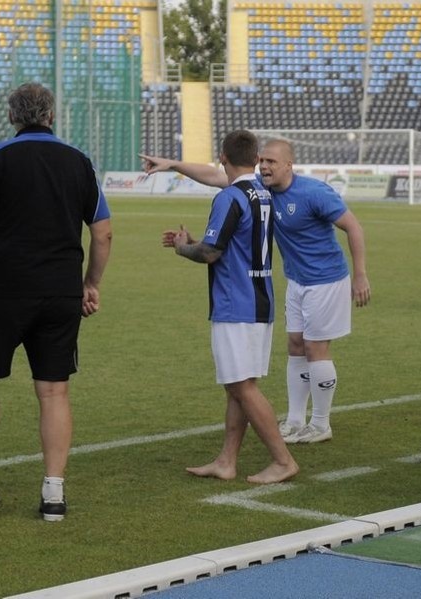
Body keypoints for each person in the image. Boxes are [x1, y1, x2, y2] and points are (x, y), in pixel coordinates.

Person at [0, 82, 112, 522]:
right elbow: (103, 230)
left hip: (7, 289)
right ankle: (53, 494)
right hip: (61, 292)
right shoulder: (79, 161)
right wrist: (91, 283)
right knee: (54, 389)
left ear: (13, 117)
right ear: (51, 116)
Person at [142, 140, 370, 445]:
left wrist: (361, 275)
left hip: (326, 279)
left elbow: (353, 226)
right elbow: (213, 176)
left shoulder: (314, 192)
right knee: (295, 345)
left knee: (316, 348)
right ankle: (294, 420)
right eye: (262, 160)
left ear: (289, 165)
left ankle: (320, 423)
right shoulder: (263, 189)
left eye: (272, 162)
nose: (265, 166)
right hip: (296, 279)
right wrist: (172, 164)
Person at [162, 129, 299, 484]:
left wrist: (182, 248)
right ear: (255, 160)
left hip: (235, 302)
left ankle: (283, 460)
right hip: (259, 300)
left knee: (242, 387)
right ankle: (226, 461)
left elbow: (211, 253)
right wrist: (198, 242)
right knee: (238, 386)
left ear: (222, 158)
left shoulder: (229, 197)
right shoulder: (263, 193)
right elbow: (231, 242)